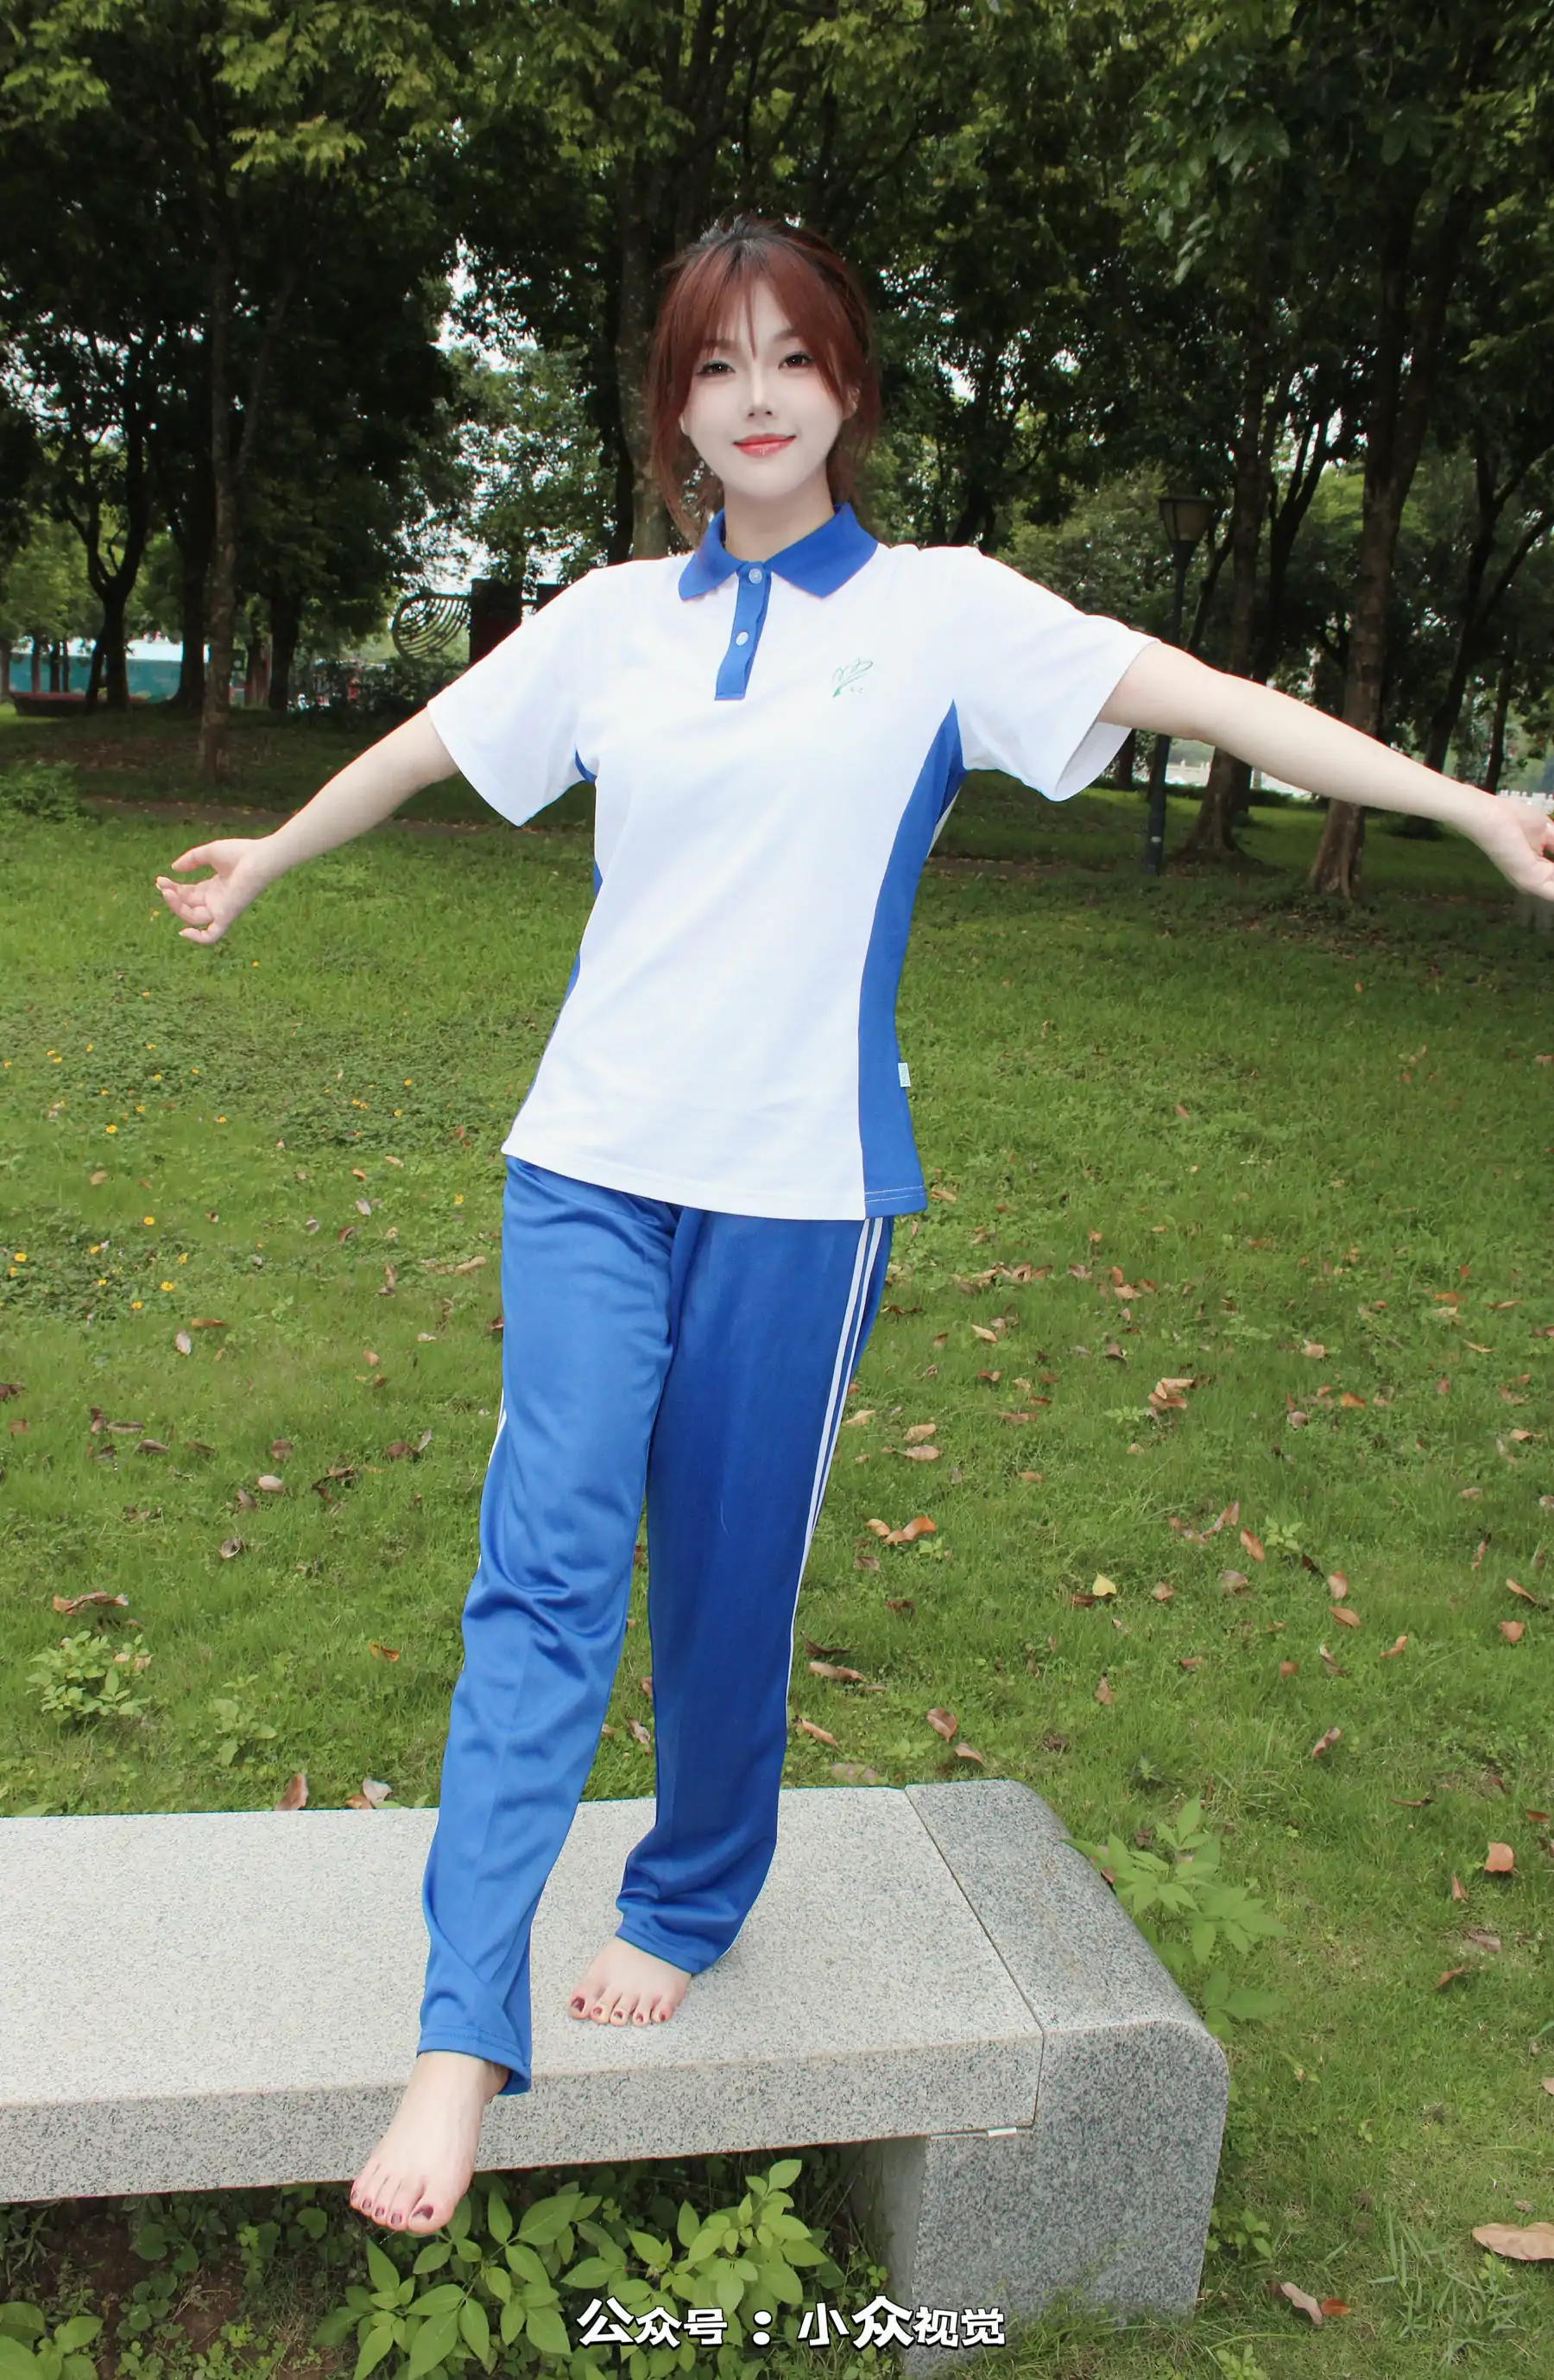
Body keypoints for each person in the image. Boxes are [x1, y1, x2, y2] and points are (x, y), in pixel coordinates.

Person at [154, 214, 1554, 2238]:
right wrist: (272, 853)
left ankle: (690, 1891)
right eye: (715, 365)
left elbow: (1218, 698)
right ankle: (460, 2039)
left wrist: (1464, 803)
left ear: (847, 388)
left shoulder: (944, 615)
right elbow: (438, 740)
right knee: (544, 1566)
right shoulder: (614, 621)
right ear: (674, 406)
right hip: (589, 1163)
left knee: (727, 1581)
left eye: (791, 358)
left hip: (806, 1192)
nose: (756, 398)